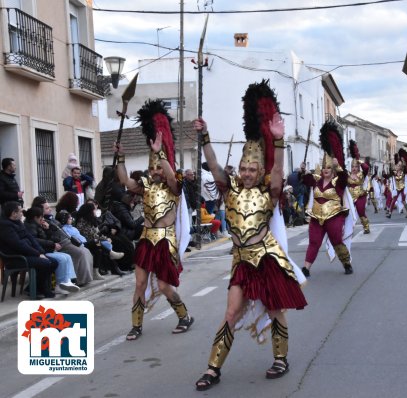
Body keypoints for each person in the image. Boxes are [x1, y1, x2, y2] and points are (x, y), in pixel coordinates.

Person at [193, 80, 307, 391]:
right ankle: (212, 368)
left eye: (251, 169)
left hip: (267, 258)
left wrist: (279, 142)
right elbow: (214, 165)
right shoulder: (229, 192)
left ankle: (280, 358)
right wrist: (204, 136)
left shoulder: (269, 193)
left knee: (275, 310)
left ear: (260, 172)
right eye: (243, 167)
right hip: (241, 262)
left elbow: (279, 173)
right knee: (230, 312)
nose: (245, 172)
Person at [114, 99, 193, 341]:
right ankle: (136, 325)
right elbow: (124, 181)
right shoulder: (145, 186)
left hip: (165, 241)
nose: (156, 171)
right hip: (146, 239)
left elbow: (170, 176)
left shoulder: (173, 186)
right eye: (154, 168)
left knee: (164, 286)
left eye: (159, 168)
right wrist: (121, 158)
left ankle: (184, 316)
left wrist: (161, 153)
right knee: (139, 283)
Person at [301, 119, 354, 277]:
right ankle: (306, 268)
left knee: (337, 241)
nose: (325, 170)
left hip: (334, 216)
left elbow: (345, 178)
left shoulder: (338, 182)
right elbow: (305, 180)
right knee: (314, 242)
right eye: (324, 167)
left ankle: (346, 263)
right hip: (317, 217)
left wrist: (338, 165)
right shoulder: (316, 180)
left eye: (328, 167)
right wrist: (302, 171)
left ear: (332, 169)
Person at [31, 196, 94, 285]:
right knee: (79, 252)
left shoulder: (50, 218)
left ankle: (85, 278)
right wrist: (49, 230)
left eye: (49, 207)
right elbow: (45, 237)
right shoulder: (40, 221)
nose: (49, 209)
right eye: (47, 208)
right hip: (58, 243)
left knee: (86, 251)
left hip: (66, 240)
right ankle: (76, 280)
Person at [0, 201, 57, 298]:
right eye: (20, 211)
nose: (22, 213)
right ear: (14, 213)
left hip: (26, 254)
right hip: (15, 258)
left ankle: (33, 288)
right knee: (45, 263)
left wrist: (40, 251)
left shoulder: (18, 222)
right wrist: (37, 254)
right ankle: (39, 290)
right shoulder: (5, 226)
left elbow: (30, 237)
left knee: (54, 262)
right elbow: (18, 245)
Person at [23, 207, 80, 294]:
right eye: (41, 217)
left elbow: (50, 238)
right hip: (41, 251)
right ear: (35, 217)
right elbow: (36, 241)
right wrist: (52, 245)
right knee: (62, 259)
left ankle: (68, 281)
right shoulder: (30, 226)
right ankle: (60, 284)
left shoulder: (39, 225)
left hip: (46, 249)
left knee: (67, 256)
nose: (43, 219)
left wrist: (48, 229)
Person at [347, 140, 371, 233]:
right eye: (352, 166)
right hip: (350, 196)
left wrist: (359, 161)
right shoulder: (348, 175)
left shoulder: (361, 174)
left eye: (356, 166)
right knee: (348, 213)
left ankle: (366, 227)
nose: (354, 168)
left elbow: (366, 168)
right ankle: (348, 230)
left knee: (361, 212)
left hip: (360, 196)